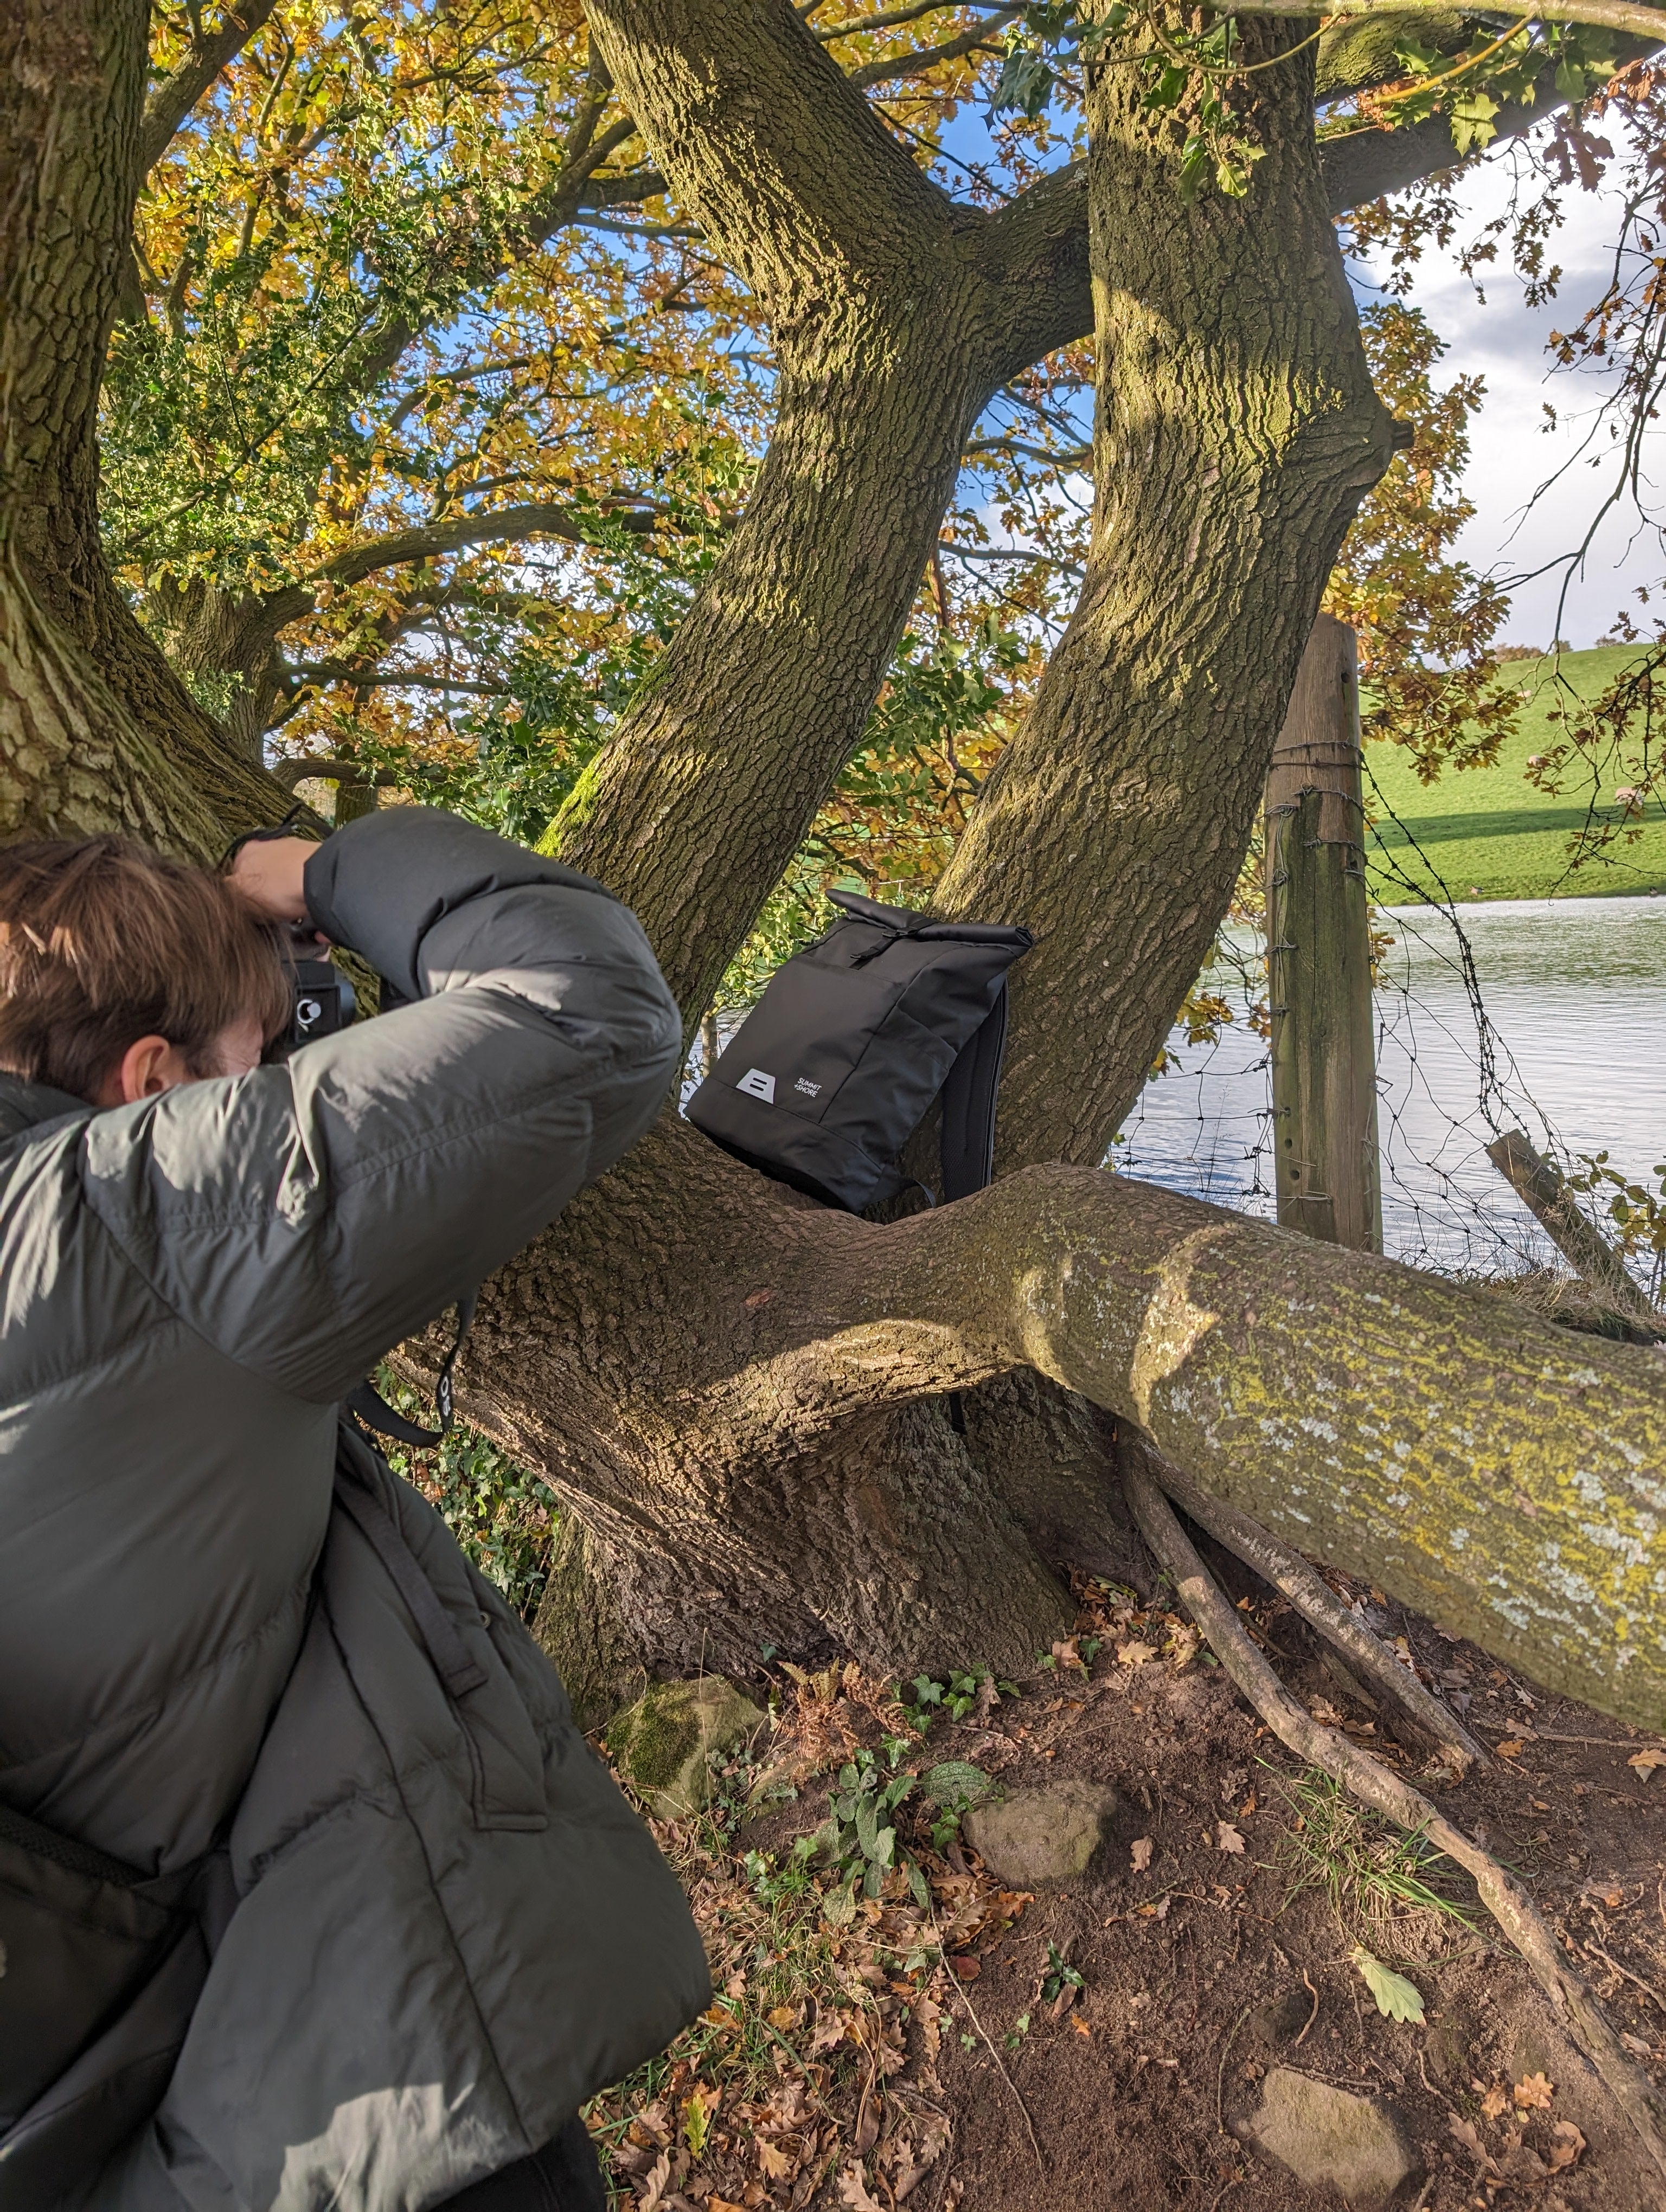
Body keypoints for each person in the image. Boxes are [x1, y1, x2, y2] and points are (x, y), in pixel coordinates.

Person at [0, 809, 712, 2212]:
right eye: (256, 1065)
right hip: (335, 2112)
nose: (284, 1079)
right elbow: (589, 1005)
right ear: (151, 1083)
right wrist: (318, 870)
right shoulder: (131, 1213)